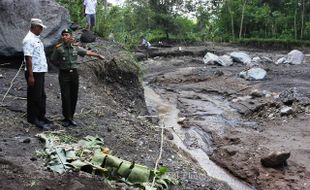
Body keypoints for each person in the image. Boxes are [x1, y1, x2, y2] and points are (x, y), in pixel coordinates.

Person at [51, 29, 104, 127]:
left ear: (71, 36)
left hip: (74, 75)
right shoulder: (59, 48)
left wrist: (97, 55)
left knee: (73, 96)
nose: (64, 37)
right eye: (63, 35)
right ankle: (66, 118)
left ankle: (71, 117)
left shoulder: (75, 48)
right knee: (65, 96)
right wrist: (62, 66)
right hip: (64, 75)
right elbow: (53, 60)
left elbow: (86, 52)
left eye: (66, 35)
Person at [23, 18, 52, 129]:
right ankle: (32, 118)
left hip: (40, 71)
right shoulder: (29, 39)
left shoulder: (36, 38)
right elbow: (28, 58)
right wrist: (30, 76)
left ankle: (41, 116)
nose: (41, 29)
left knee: (41, 95)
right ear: (34, 27)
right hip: (33, 72)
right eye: (40, 27)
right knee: (34, 96)